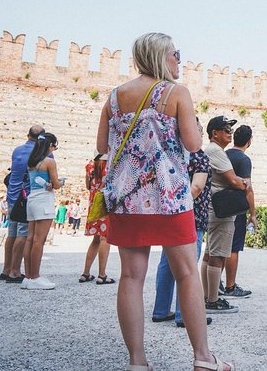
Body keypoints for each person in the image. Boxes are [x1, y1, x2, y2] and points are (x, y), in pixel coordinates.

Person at [97, 32, 233, 371]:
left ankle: (137, 362)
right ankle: (203, 357)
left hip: (128, 200)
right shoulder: (176, 93)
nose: (179, 60)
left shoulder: (114, 98)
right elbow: (192, 144)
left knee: (130, 277)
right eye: (176, 54)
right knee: (187, 273)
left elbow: (102, 144)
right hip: (169, 197)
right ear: (160, 56)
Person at [153, 117, 213, 327]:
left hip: (168, 215)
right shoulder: (200, 157)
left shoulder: (169, 154)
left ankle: (160, 310)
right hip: (191, 217)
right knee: (188, 266)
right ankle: (184, 314)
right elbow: (196, 188)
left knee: (166, 263)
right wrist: (182, 208)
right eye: (198, 130)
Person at [201, 115, 249, 315]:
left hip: (213, 208)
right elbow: (235, 181)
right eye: (226, 130)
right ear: (215, 133)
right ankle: (212, 301)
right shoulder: (216, 152)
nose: (230, 133)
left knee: (209, 254)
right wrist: (244, 183)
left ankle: (207, 296)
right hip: (221, 211)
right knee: (218, 256)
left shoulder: (211, 151)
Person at [0, 125, 44, 284]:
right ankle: (15, 271)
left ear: (27, 135)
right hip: (25, 199)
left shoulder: (17, 150)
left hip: (12, 196)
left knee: (11, 234)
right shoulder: (40, 154)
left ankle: (5, 269)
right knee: (22, 234)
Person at [24, 132, 63, 290]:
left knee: (30, 239)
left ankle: (27, 276)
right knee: (40, 241)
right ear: (49, 145)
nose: (54, 150)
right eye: (54, 146)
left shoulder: (32, 161)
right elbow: (56, 184)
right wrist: (61, 182)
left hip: (32, 198)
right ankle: (35, 277)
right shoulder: (49, 162)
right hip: (44, 201)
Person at [223, 125, 256, 298]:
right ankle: (230, 286)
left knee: (219, 247)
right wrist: (253, 214)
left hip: (220, 206)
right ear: (249, 141)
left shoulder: (224, 155)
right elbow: (248, 189)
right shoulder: (244, 160)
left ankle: (216, 284)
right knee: (234, 248)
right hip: (236, 208)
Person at [79, 154, 114, 285]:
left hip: (93, 204)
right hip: (105, 204)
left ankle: (85, 273)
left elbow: (88, 186)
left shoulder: (90, 166)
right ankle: (102, 275)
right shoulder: (110, 165)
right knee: (105, 238)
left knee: (96, 239)